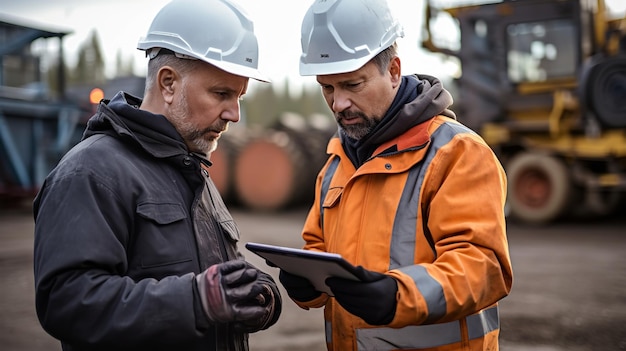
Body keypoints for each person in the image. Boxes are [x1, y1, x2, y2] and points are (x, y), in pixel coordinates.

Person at [32, 0, 281, 350]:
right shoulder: (91, 172)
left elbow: (209, 278)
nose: (235, 114)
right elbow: (68, 302)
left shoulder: (192, 170)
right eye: (222, 93)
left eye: (240, 96)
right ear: (168, 83)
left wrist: (250, 294)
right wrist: (196, 301)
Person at [277, 0, 513, 350]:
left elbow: (483, 266)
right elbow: (317, 247)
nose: (338, 103)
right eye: (327, 87)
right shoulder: (337, 161)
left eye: (352, 85)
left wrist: (398, 295)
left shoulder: (456, 153)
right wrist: (306, 285)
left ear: (393, 71)